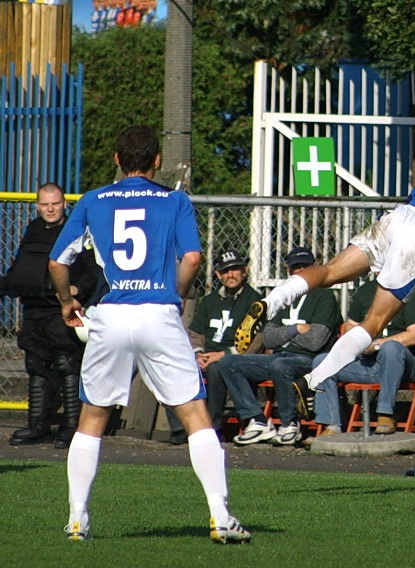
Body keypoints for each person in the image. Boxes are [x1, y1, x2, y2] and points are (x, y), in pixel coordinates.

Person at [47, 124, 250, 543]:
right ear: (157, 161)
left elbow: (56, 262)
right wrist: (174, 295)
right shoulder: (174, 200)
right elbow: (192, 257)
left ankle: (76, 519)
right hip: (157, 312)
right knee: (195, 415)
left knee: (92, 419)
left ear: (117, 160)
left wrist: (68, 302)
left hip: (112, 313)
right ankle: (219, 515)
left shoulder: (93, 199)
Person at [236, 133, 415, 416]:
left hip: (396, 219)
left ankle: (271, 302)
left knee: (330, 271)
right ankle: (314, 381)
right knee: (374, 321)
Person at [0, 183, 101, 449]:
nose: (50, 209)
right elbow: (20, 266)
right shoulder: (33, 229)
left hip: (62, 309)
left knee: (67, 364)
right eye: (45, 204)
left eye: (55, 203)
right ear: (37, 205)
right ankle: (38, 425)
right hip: (33, 309)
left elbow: (93, 271)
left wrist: (78, 289)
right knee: (36, 365)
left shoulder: (76, 230)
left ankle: (71, 427)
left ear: (64, 203)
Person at [218, 246, 341, 446]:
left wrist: (282, 335)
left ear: (314, 268)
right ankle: (257, 420)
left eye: (305, 267)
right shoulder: (283, 295)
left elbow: (315, 341)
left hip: (309, 360)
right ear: (289, 272)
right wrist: (296, 329)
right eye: (295, 268)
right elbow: (268, 338)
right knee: (229, 363)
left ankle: (290, 424)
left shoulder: (324, 297)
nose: (300, 271)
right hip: (279, 356)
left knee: (280, 366)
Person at [165, 249, 263, 444]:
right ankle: (180, 429)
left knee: (217, 367)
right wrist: (198, 353)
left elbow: (256, 340)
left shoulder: (254, 300)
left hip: (233, 357)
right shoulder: (209, 301)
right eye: (225, 271)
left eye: (235, 269)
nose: (231, 275)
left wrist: (223, 354)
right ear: (218, 274)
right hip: (205, 355)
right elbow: (195, 333)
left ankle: (212, 427)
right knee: (171, 367)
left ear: (245, 271)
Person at [311, 278, 415, 436]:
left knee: (391, 348)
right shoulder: (366, 291)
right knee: (321, 362)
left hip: (405, 364)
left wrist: (377, 344)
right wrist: (357, 345)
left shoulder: (412, 291)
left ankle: (385, 415)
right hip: (371, 364)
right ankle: (332, 426)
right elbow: (350, 327)